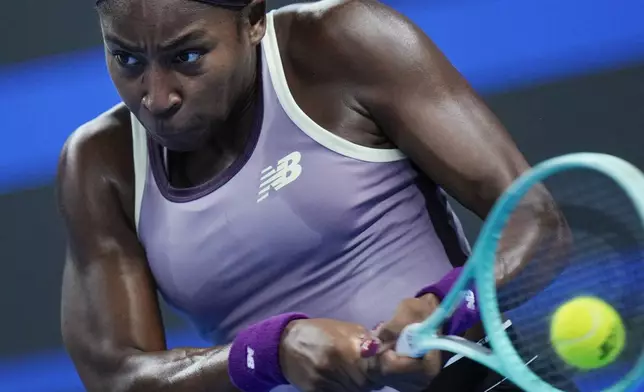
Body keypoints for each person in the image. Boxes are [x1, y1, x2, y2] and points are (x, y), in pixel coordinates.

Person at [57, 0, 550, 391]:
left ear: (253, 20)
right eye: (126, 59)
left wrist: (446, 307)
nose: (157, 96)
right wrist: (272, 351)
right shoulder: (101, 164)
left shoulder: (345, 41)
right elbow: (116, 376)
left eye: (186, 56)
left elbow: (538, 223)